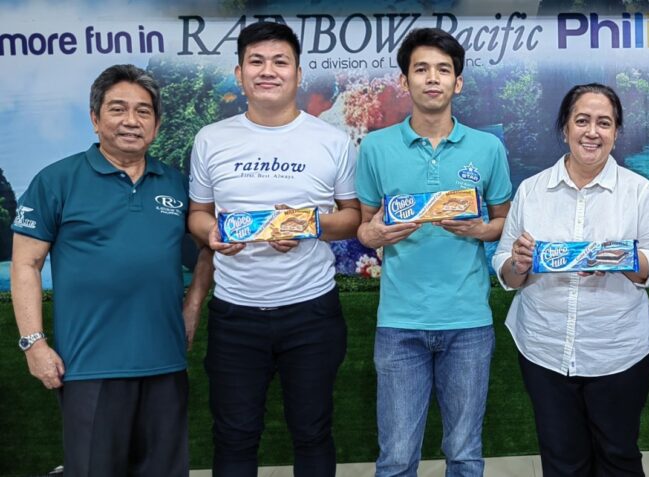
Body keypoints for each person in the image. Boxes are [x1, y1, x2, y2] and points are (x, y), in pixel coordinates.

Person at [10, 64, 213, 476]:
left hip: (165, 364)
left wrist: (192, 307)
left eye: (143, 111)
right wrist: (34, 344)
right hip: (88, 367)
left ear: (156, 124)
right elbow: (26, 263)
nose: (131, 121)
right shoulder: (57, 180)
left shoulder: (175, 183)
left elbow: (209, 245)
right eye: (118, 109)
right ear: (95, 118)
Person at [187, 22, 361, 476]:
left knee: (312, 431)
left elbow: (352, 218)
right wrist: (212, 235)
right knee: (235, 436)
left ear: (298, 73)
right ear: (239, 72)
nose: (269, 71)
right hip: (235, 316)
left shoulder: (332, 141)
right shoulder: (211, 139)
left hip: (311, 314)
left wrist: (307, 224)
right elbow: (198, 213)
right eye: (257, 61)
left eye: (280, 62)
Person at [492, 83, 649, 476]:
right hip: (544, 349)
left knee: (618, 456)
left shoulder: (637, 191)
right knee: (562, 461)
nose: (592, 132)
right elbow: (504, 267)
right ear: (564, 128)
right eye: (582, 121)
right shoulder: (532, 190)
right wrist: (519, 263)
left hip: (618, 350)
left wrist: (623, 258)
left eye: (604, 123)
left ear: (616, 132)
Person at [355, 28, 512, 477]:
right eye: (421, 69)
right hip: (400, 323)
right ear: (404, 81)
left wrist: (482, 229)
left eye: (443, 70)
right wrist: (377, 236)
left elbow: (505, 222)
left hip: (468, 322)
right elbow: (364, 227)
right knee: (397, 457)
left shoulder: (487, 148)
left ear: (457, 82)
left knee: (464, 453)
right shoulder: (376, 147)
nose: (432, 79)